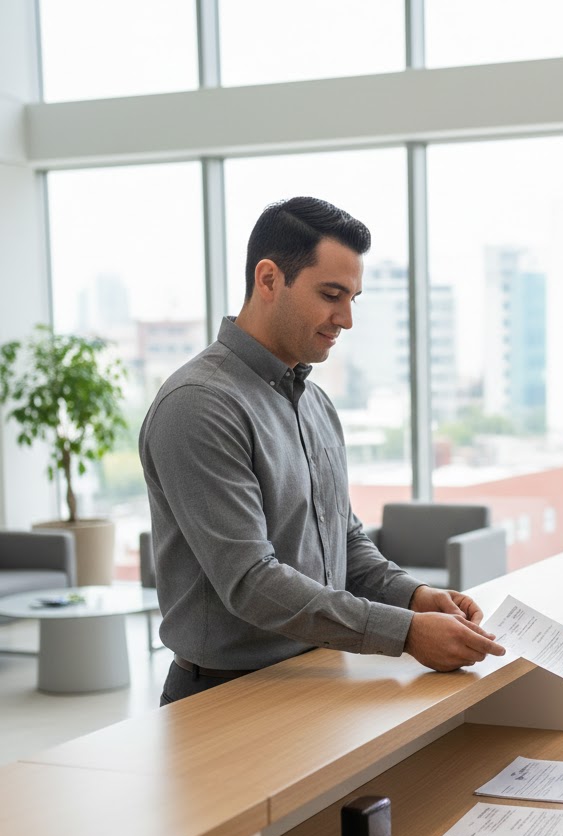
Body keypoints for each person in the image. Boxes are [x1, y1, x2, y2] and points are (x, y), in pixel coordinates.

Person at [140, 196, 504, 706]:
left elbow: (343, 539)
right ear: (268, 280)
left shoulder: (315, 402)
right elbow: (250, 580)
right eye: (332, 294)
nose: (346, 319)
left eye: (353, 297)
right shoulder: (200, 406)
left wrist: (414, 596)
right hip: (225, 697)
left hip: (320, 673)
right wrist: (405, 632)